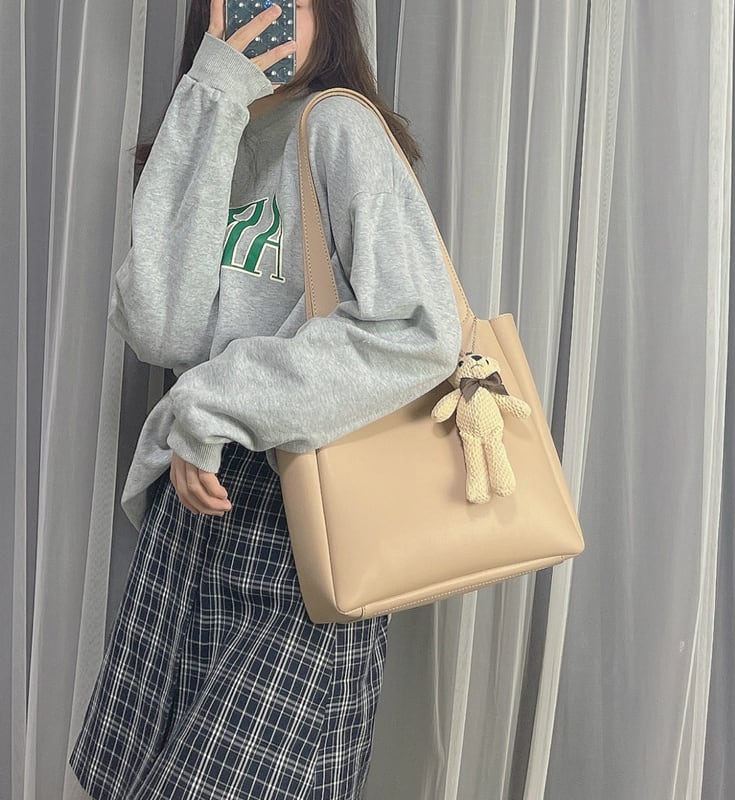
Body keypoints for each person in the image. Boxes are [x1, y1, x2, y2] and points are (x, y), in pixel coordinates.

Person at [68, 0, 460, 797]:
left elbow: (419, 329)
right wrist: (211, 96)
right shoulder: (212, 124)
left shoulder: (340, 127)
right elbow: (162, 327)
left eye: (293, 2)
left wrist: (216, 405)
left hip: (306, 519)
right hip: (194, 514)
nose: (265, 16)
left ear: (331, 16)